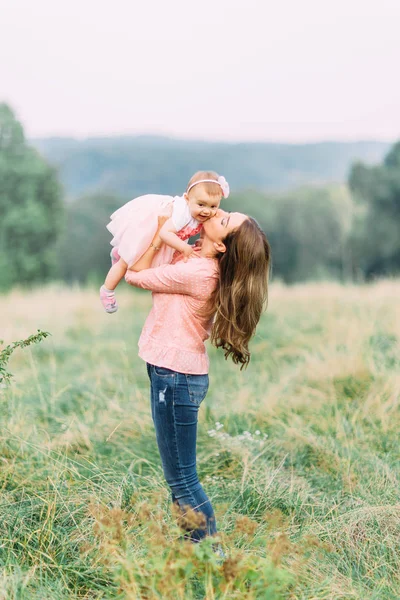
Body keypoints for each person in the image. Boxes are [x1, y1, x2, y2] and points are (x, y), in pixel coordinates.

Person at [124, 207, 271, 544]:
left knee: (183, 479)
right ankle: (194, 552)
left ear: (222, 247)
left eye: (224, 220)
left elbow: (134, 274)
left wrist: (159, 230)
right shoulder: (195, 259)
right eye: (226, 211)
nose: (219, 213)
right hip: (174, 374)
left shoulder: (200, 273)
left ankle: (210, 558)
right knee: (178, 478)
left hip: (175, 378)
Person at [100, 171, 230, 313]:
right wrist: (184, 247)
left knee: (143, 258)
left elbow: (204, 229)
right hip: (152, 225)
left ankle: (120, 252)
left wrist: (201, 240)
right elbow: (164, 233)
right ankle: (107, 290)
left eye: (213, 206)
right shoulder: (182, 215)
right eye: (201, 204)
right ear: (187, 199)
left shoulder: (203, 214)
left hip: (167, 233)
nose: (206, 211)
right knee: (126, 262)